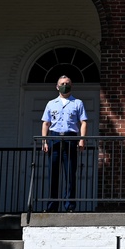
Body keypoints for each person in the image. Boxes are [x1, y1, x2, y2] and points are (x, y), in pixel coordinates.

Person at [41, 76, 88, 212]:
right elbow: (46, 123)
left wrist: (81, 139)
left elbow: (83, 122)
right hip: (55, 138)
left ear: (71, 86)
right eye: (62, 84)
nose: (64, 85)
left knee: (70, 174)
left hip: (70, 138)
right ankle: (52, 206)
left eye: (67, 83)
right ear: (57, 87)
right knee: (53, 174)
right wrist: (45, 141)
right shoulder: (51, 104)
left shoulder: (77, 103)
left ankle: (69, 206)